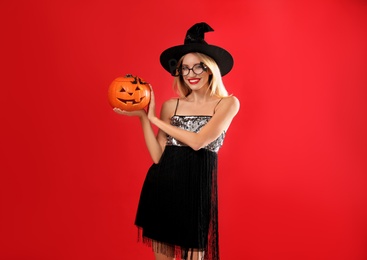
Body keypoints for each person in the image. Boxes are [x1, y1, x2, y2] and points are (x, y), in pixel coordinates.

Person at [114, 22, 240, 260]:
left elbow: (199, 141)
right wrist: (144, 118)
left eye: (198, 67)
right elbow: (158, 156)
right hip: (162, 188)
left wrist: (155, 120)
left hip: (196, 192)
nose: (191, 74)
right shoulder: (171, 106)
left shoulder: (228, 103)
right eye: (185, 68)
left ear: (211, 68)